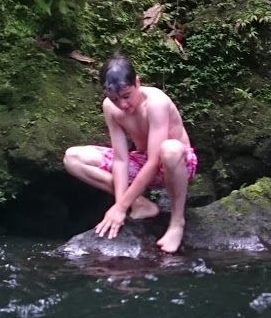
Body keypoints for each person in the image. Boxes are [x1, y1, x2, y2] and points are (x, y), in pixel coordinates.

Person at [62, 55, 197, 253]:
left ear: (137, 83)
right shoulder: (110, 108)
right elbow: (120, 159)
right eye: (115, 99)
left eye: (126, 96)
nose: (122, 105)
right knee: (72, 158)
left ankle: (177, 223)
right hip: (142, 161)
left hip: (176, 163)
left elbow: (154, 161)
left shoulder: (156, 103)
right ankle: (141, 204)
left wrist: (120, 208)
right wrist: (122, 204)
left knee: (169, 149)